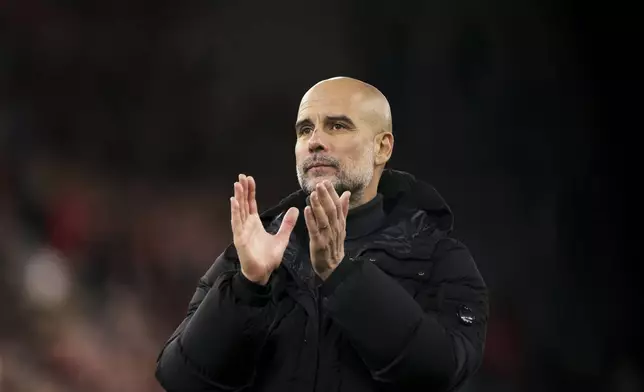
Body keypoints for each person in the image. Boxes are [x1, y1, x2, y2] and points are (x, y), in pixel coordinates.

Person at [155, 77, 489, 392]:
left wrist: (343, 277)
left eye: (338, 125)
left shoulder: (439, 259)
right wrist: (247, 287)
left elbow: (439, 373)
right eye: (305, 130)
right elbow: (180, 379)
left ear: (382, 148)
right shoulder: (257, 252)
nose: (315, 141)